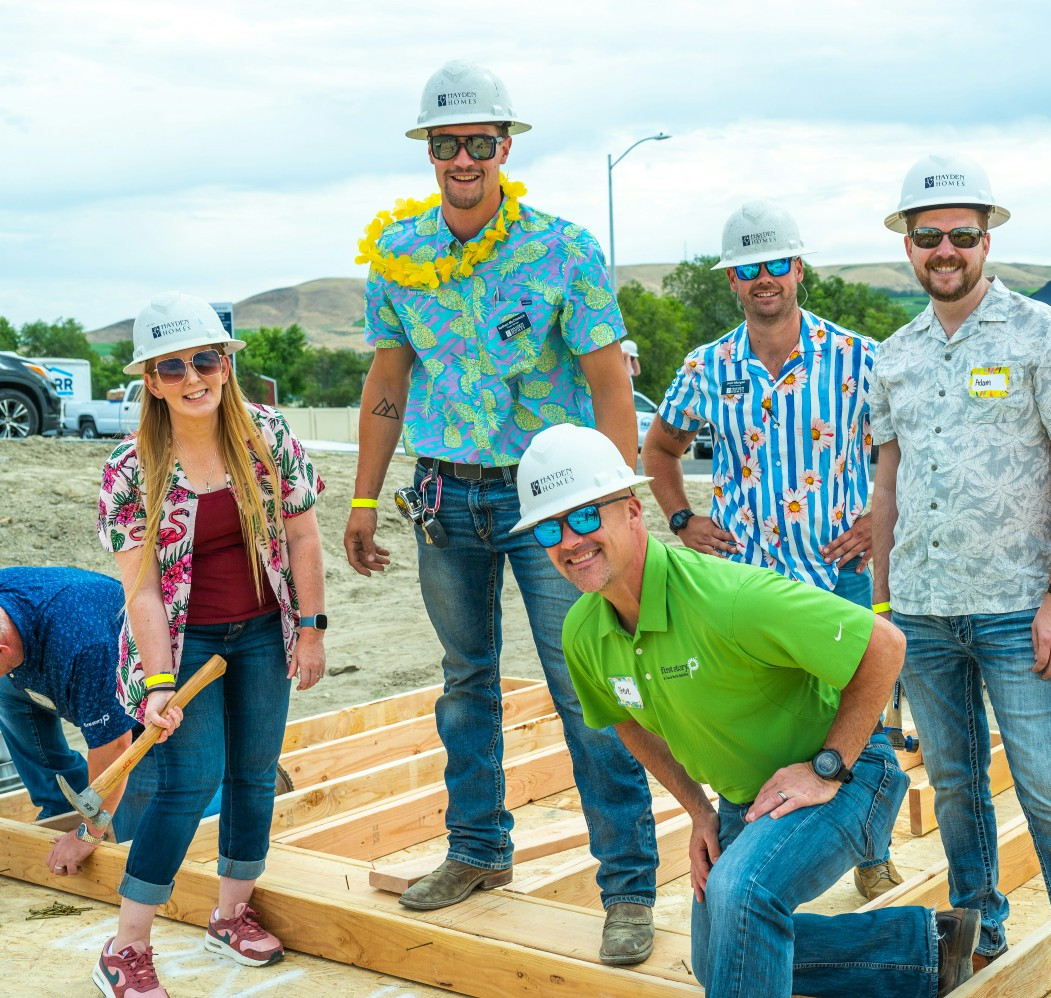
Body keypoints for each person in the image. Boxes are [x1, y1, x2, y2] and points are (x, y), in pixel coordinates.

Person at [341, 59, 658, 963]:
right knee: (465, 681)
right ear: (430, 152)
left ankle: (628, 886)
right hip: (447, 495)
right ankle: (478, 851)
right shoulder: (396, 256)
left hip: (554, 500)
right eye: (448, 144)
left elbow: (608, 381)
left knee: (587, 683)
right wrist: (364, 495)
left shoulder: (562, 250)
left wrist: (617, 507)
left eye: (480, 142)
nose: (464, 158)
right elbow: (387, 380)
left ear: (505, 147)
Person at [514, 423, 981, 997]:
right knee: (719, 961)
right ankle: (924, 949)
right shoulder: (583, 632)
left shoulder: (726, 599)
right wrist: (698, 811)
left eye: (585, 516)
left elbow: (885, 646)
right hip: (749, 799)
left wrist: (824, 768)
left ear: (632, 512)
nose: (569, 540)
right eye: (548, 528)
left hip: (850, 775)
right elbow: (627, 723)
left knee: (742, 894)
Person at [868, 153, 1051, 997]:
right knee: (952, 785)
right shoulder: (896, 354)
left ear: (987, 238)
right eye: (928, 235)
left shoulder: (1044, 336)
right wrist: (882, 604)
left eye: (961, 235)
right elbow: (887, 485)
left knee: (1050, 790)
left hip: (1021, 612)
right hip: (925, 612)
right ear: (908, 244)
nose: (945, 249)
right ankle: (978, 927)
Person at [640, 198, 902, 897]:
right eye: (748, 267)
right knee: (759, 721)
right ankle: (758, 858)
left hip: (834, 574)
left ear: (798, 269)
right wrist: (679, 520)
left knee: (858, 720)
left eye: (775, 264)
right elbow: (659, 447)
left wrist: (881, 517)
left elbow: (902, 451)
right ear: (732, 280)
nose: (764, 279)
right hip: (744, 589)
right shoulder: (707, 366)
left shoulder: (854, 358)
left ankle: (870, 845)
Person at [91, 291, 327, 998]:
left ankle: (230, 914)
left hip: (262, 633)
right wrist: (159, 684)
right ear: (150, 381)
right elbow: (141, 593)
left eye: (204, 359)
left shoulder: (267, 435)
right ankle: (126, 947)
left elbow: (303, 535)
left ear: (226, 363)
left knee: (254, 775)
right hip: (181, 642)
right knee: (188, 782)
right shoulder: (131, 469)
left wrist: (311, 630)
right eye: (171, 367)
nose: (192, 377)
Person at [0, 568, 144, 862]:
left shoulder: (85, 649)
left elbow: (115, 746)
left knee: (139, 831)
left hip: (140, 683)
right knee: (5, 688)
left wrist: (90, 833)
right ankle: (62, 805)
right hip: (59, 643)